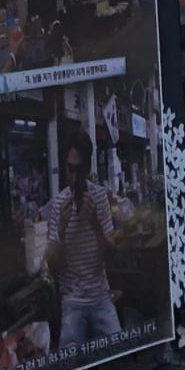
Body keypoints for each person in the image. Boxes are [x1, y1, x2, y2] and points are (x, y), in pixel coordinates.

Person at [45, 129, 120, 347]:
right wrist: (61, 228)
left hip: (100, 295)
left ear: (88, 168)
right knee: (69, 355)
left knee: (119, 349)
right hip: (72, 300)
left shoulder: (99, 197)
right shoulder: (58, 204)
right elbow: (52, 265)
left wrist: (95, 224)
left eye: (80, 170)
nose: (75, 177)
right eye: (71, 169)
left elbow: (111, 256)